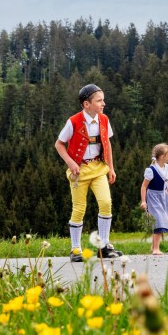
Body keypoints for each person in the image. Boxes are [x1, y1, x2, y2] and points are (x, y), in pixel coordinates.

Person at [55, 83, 122, 262]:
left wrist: (111, 168)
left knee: (106, 202)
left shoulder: (104, 120)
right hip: (79, 171)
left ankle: (104, 246)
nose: (103, 104)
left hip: (99, 168)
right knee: (79, 208)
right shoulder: (74, 121)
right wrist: (70, 162)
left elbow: (107, 145)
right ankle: (75, 249)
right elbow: (59, 144)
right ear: (87, 104)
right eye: (99, 101)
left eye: (103, 100)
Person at [140, 143, 168, 255]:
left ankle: (153, 246)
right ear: (162, 156)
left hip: (164, 197)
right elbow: (144, 186)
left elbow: (167, 184)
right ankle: (156, 249)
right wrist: (144, 201)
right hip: (153, 197)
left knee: (163, 220)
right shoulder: (151, 170)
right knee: (159, 221)